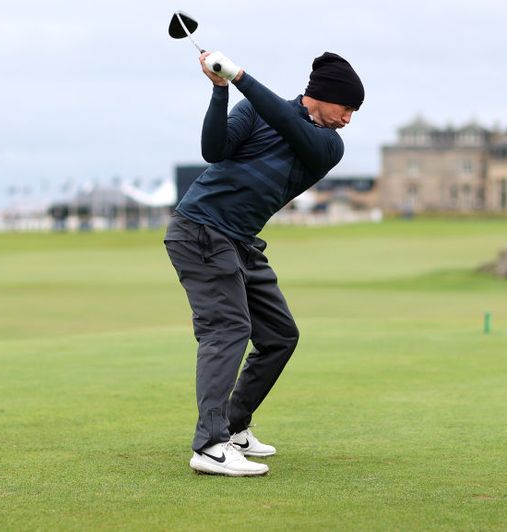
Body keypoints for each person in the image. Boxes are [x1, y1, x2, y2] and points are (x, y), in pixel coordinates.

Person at [164, 50, 364, 476]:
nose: (348, 119)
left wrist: (240, 76)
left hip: (240, 242)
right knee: (228, 327)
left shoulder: (328, 145)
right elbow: (213, 150)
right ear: (321, 95)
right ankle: (210, 445)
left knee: (279, 336)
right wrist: (221, 91)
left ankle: (234, 427)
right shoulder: (254, 110)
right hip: (200, 229)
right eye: (346, 107)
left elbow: (291, 124)